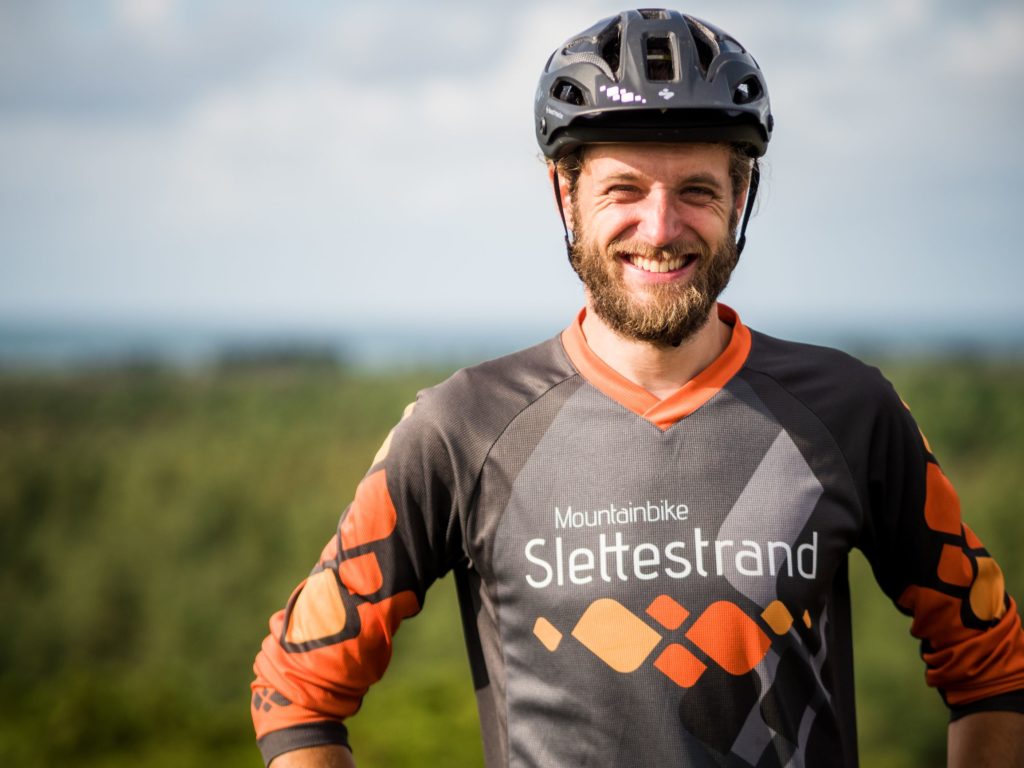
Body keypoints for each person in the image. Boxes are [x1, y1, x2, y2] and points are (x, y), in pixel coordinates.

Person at [251, 9, 1024, 767]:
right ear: (565, 196)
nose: (660, 228)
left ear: (741, 197)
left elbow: (994, 666)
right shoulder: (463, 428)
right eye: (624, 189)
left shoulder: (849, 412)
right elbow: (296, 692)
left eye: (697, 190)